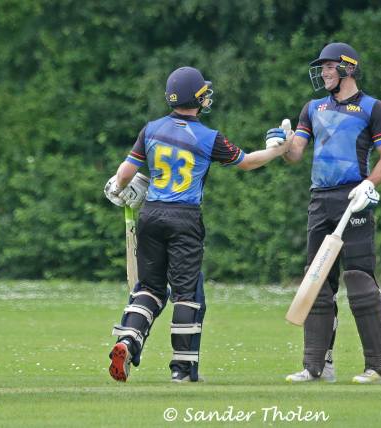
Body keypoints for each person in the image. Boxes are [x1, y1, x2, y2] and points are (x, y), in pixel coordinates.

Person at [104, 66, 288, 383]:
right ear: (197, 98)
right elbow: (247, 162)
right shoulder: (208, 137)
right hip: (184, 219)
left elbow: (124, 174)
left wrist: (118, 189)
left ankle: (128, 340)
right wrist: (278, 149)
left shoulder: (151, 129)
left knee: (148, 289)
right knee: (187, 294)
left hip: (151, 215)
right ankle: (183, 370)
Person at [268, 42, 381, 384]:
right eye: (322, 67)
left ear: (348, 68)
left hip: (354, 198)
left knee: (358, 279)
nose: (324, 72)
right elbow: (296, 154)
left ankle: (380, 366)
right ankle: (316, 367)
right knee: (316, 281)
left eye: (329, 66)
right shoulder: (313, 108)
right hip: (320, 200)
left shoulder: (372, 108)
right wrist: (282, 144)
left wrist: (369, 184)